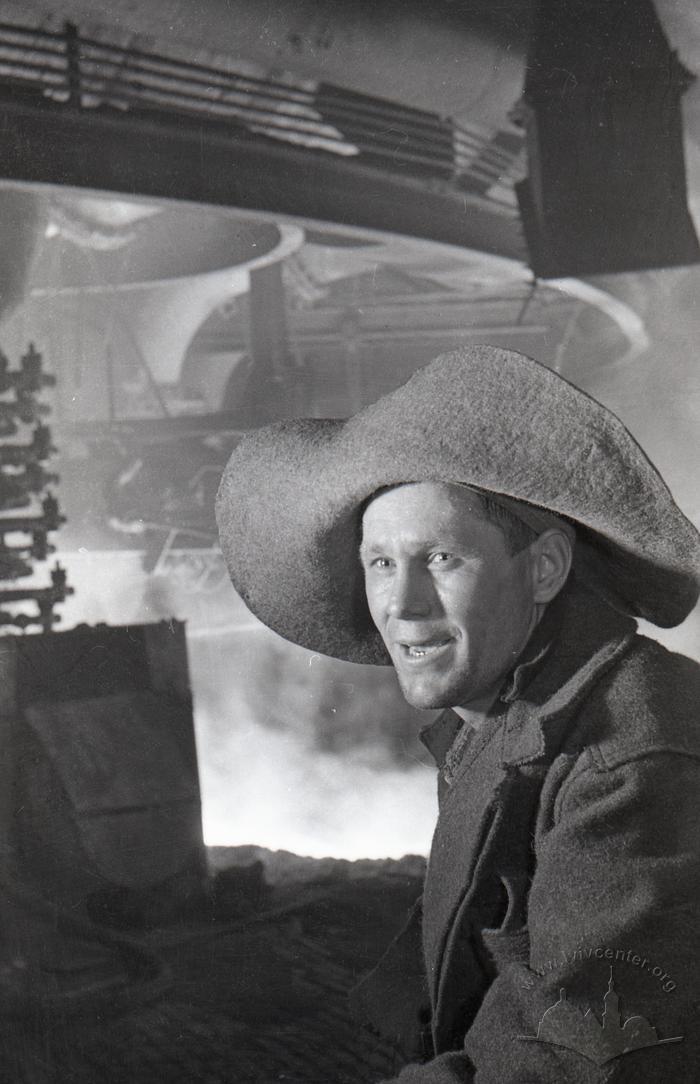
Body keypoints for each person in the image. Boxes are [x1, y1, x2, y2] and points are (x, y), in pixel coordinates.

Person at [215, 345, 700, 1082]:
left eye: (440, 559)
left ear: (543, 569)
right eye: (381, 563)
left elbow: (580, 1065)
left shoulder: (632, 762)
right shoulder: (509, 713)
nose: (401, 605)